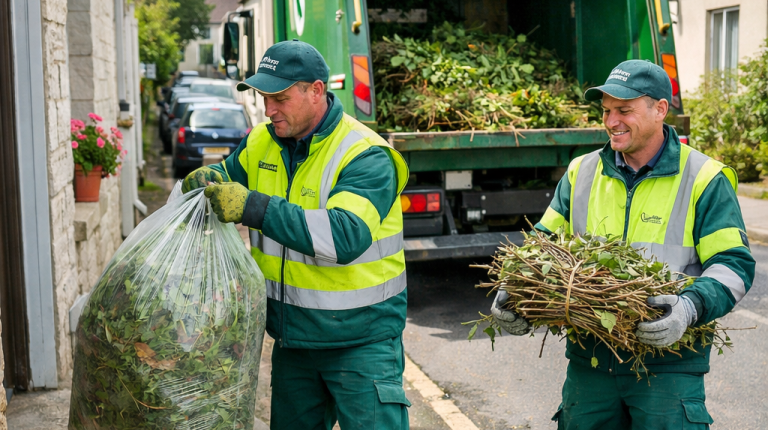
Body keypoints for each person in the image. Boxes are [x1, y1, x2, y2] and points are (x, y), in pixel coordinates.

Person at [492, 60, 755, 429]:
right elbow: (542, 243)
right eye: (607, 111)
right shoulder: (581, 172)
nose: (611, 121)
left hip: (667, 364)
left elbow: (734, 264)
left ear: (660, 109)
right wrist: (514, 288)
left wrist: (688, 308)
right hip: (591, 362)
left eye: (624, 110)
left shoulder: (704, 178)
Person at [181, 39, 411, 429]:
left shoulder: (365, 154)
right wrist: (207, 181)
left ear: (316, 90)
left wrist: (252, 206)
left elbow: (343, 237)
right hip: (293, 344)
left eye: (281, 98)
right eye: (263, 98)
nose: (269, 110)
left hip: (362, 343)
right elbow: (227, 179)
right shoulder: (261, 141)